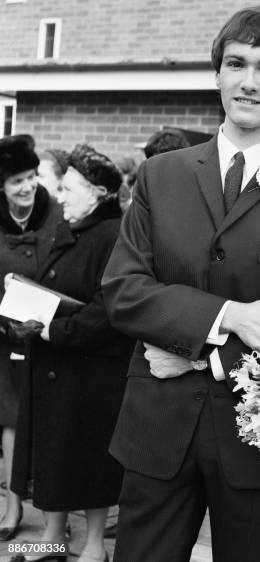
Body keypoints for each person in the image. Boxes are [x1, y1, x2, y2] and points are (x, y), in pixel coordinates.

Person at [101, 7, 260, 562]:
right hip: (156, 431)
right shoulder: (160, 176)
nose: (248, 81)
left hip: (256, 446)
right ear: (217, 74)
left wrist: (202, 359)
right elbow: (123, 290)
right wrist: (230, 316)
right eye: (235, 63)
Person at [10, 144, 133, 562]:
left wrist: (52, 330)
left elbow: (108, 309)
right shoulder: (71, 227)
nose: (58, 196)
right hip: (55, 368)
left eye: (68, 188)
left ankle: (95, 548)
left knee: (88, 460)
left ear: (97, 193)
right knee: (53, 457)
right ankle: (53, 538)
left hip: (91, 374)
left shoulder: (114, 235)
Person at [0, 136, 62, 543]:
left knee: (53, 421)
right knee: (9, 417)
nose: (27, 187)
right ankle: (11, 503)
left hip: (51, 333)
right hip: (5, 336)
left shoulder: (56, 214)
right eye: (16, 181)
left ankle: (54, 520)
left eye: (31, 177)